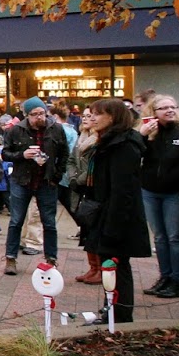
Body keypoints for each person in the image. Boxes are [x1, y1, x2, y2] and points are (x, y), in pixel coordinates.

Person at [78, 99, 150, 324]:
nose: (92, 118)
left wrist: (113, 226)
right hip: (106, 212)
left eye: (98, 114)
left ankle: (119, 314)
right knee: (112, 265)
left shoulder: (123, 146)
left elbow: (123, 190)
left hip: (116, 217)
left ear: (113, 117)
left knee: (117, 266)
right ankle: (112, 309)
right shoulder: (107, 141)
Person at [1, 97, 70, 276]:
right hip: (21, 180)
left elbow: (64, 154)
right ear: (26, 115)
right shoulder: (16, 130)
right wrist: (22, 154)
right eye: (34, 114)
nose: (39, 117)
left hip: (47, 181)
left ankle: (51, 259)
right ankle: (10, 257)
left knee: (49, 222)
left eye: (42, 113)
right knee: (16, 220)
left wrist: (57, 175)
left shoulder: (56, 129)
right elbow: (5, 154)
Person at [140, 94, 179, 298]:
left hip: (176, 192)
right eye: (163, 108)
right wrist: (143, 136)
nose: (170, 110)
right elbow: (136, 156)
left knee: (175, 236)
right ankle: (164, 277)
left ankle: (177, 280)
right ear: (153, 113)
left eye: (173, 106)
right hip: (150, 191)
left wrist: (177, 178)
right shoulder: (149, 133)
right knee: (159, 237)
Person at [65, 106, 102, 284]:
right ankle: (92, 267)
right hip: (79, 188)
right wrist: (72, 177)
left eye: (90, 116)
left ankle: (101, 269)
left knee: (95, 229)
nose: (86, 119)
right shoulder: (81, 138)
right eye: (84, 116)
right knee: (86, 228)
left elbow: (92, 167)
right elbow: (72, 160)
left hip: (91, 188)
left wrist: (79, 179)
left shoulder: (98, 139)